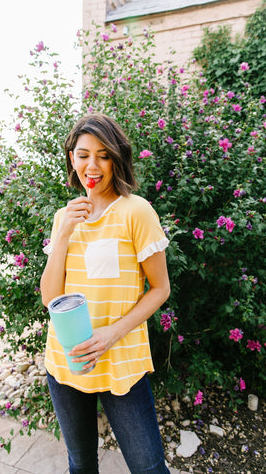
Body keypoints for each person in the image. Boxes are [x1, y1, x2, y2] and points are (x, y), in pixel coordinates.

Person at [40, 113, 171, 474]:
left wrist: (111, 334)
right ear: (72, 158)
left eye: (103, 155)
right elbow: (50, 298)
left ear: (117, 158)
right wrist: (64, 233)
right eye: (83, 155)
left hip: (121, 360)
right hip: (67, 359)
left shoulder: (136, 212)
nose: (92, 166)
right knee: (80, 465)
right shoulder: (63, 217)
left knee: (149, 468)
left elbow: (160, 289)